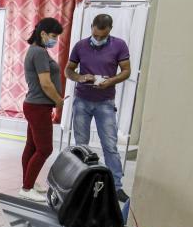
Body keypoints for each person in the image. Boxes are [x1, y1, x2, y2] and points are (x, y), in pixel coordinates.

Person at [64, 14, 131, 202]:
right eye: (96, 35)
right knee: (81, 145)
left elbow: (126, 71)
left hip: (105, 102)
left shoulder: (119, 45)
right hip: (82, 100)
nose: (98, 39)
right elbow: (68, 70)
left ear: (110, 29)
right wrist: (80, 78)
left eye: (102, 36)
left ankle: (117, 187)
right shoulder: (80, 46)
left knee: (110, 146)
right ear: (92, 27)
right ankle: (80, 181)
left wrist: (111, 81)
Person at [19, 17, 65, 203]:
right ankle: (27, 187)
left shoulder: (38, 50)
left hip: (36, 105)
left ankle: (27, 183)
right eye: (53, 36)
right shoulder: (38, 52)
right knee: (45, 149)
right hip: (38, 106)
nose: (55, 39)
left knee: (32, 146)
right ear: (43, 33)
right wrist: (58, 101)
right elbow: (46, 83)